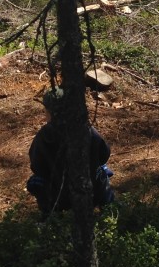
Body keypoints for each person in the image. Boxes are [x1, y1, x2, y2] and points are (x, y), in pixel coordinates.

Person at [26, 88, 116, 217]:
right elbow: (104, 153)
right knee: (102, 171)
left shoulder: (45, 135)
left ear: (49, 112)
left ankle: (48, 217)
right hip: (92, 192)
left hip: (58, 196)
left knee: (36, 181)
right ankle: (108, 212)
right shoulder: (87, 130)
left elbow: (37, 166)